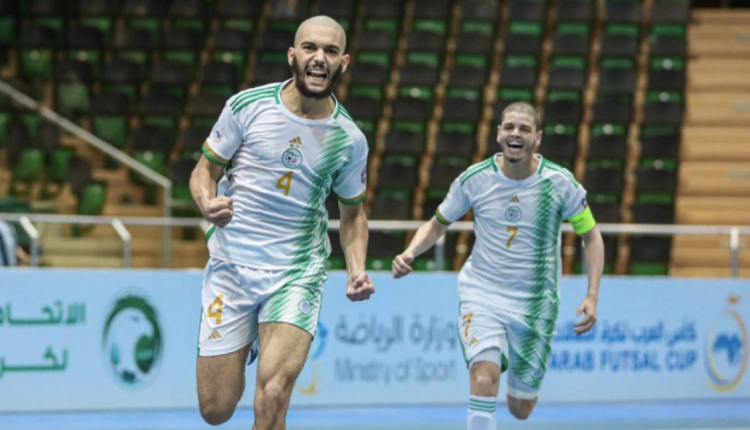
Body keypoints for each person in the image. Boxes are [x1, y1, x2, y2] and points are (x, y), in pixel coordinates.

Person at [190, 16, 374, 430]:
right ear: (293, 55)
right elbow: (204, 171)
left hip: (296, 273)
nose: (319, 58)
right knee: (215, 409)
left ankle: (267, 333)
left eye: (330, 51)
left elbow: (353, 215)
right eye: (310, 48)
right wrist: (207, 201)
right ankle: (249, 337)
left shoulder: (349, 138)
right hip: (232, 266)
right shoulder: (248, 106)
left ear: (343, 63)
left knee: (273, 394)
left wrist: (356, 267)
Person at [392, 102, 604, 429]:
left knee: (521, 408)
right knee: (483, 379)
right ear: (498, 135)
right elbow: (437, 223)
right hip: (482, 293)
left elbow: (591, 236)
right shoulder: (475, 180)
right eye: (509, 127)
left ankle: (520, 386)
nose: (515, 134)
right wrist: (410, 253)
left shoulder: (560, 184)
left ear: (538, 138)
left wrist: (592, 294)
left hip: (535, 305)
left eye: (524, 129)